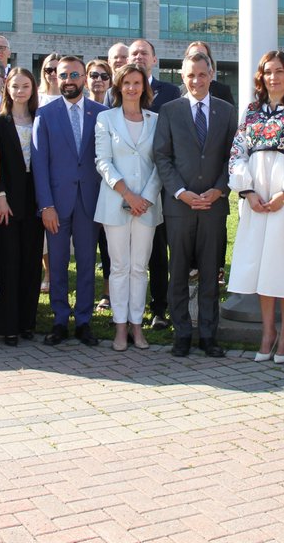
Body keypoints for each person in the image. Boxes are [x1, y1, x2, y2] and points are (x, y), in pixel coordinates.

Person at [227, 51, 284, 364]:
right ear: (261, 76)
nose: (274, 77)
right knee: (263, 264)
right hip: (257, 197)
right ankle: (267, 332)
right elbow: (237, 153)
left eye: (280, 71)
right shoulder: (251, 111)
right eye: (268, 72)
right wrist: (248, 191)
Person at [154, 51, 235, 358]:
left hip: (214, 206)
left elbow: (233, 156)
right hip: (180, 206)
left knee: (210, 272)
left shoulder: (226, 111)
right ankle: (182, 333)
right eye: (190, 75)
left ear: (211, 74)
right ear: (182, 77)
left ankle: (208, 335)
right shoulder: (170, 110)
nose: (196, 81)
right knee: (178, 271)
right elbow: (162, 155)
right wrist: (180, 192)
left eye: (202, 75)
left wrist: (219, 190)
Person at [32, 55, 105, 346]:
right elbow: (40, 164)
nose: (69, 80)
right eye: (63, 75)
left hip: (90, 201)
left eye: (75, 75)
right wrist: (45, 205)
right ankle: (60, 319)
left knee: (87, 262)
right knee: (59, 263)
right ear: (55, 79)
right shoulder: (45, 114)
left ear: (84, 78)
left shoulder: (101, 113)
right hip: (57, 204)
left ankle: (84, 321)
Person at [95, 63, 162, 351]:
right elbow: (102, 161)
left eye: (137, 83)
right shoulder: (105, 119)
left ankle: (138, 326)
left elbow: (161, 162)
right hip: (115, 202)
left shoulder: (156, 120)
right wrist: (128, 194)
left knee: (139, 267)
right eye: (127, 83)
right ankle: (120, 328)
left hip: (147, 205)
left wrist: (144, 197)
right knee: (119, 267)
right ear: (119, 87)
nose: (132, 88)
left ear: (144, 87)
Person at [130, 38, 181, 329]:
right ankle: (127, 308)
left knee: (159, 249)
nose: (138, 57)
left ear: (154, 59)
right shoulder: (120, 87)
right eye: (134, 53)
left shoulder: (170, 92)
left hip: (160, 181)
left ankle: (159, 308)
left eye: (144, 53)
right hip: (127, 183)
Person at [0, 68, 44, 346]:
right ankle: (8, 325)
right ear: (8, 89)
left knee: (31, 262)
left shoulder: (41, 120)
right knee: (9, 262)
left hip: (35, 199)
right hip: (7, 202)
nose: (20, 91)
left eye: (26, 86)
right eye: (15, 86)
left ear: (33, 89)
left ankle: (27, 323)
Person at [85, 57, 114, 307]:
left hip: (107, 185)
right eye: (94, 75)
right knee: (85, 245)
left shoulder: (115, 113)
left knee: (107, 244)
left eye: (104, 76)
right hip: (83, 185)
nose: (98, 80)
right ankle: (85, 293)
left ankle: (107, 293)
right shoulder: (78, 108)